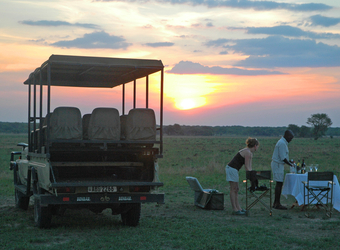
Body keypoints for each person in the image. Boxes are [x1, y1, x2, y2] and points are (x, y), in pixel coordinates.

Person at [226, 138, 259, 215]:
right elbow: (247, 167)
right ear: (255, 146)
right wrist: (252, 177)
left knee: (236, 189)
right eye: (257, 146)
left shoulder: (249, 152)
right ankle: (235, 209)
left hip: (234, 170)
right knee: (233, 188)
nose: (257, 148)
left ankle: (239, 208)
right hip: (231, 169)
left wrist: (252, 174)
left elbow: (249, 167)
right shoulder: (247, 152)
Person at [271, 130, 294, 210]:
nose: (291, 139)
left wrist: (290, 162)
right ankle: (277, 203)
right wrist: (291, 164)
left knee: (279, 183)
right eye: (291, 138)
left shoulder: (283, 142)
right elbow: (283, 158)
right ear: (287, 136)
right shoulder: (282, 143)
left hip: (278, 165)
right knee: (279, 183)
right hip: (278, 164)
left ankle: (275, 203)